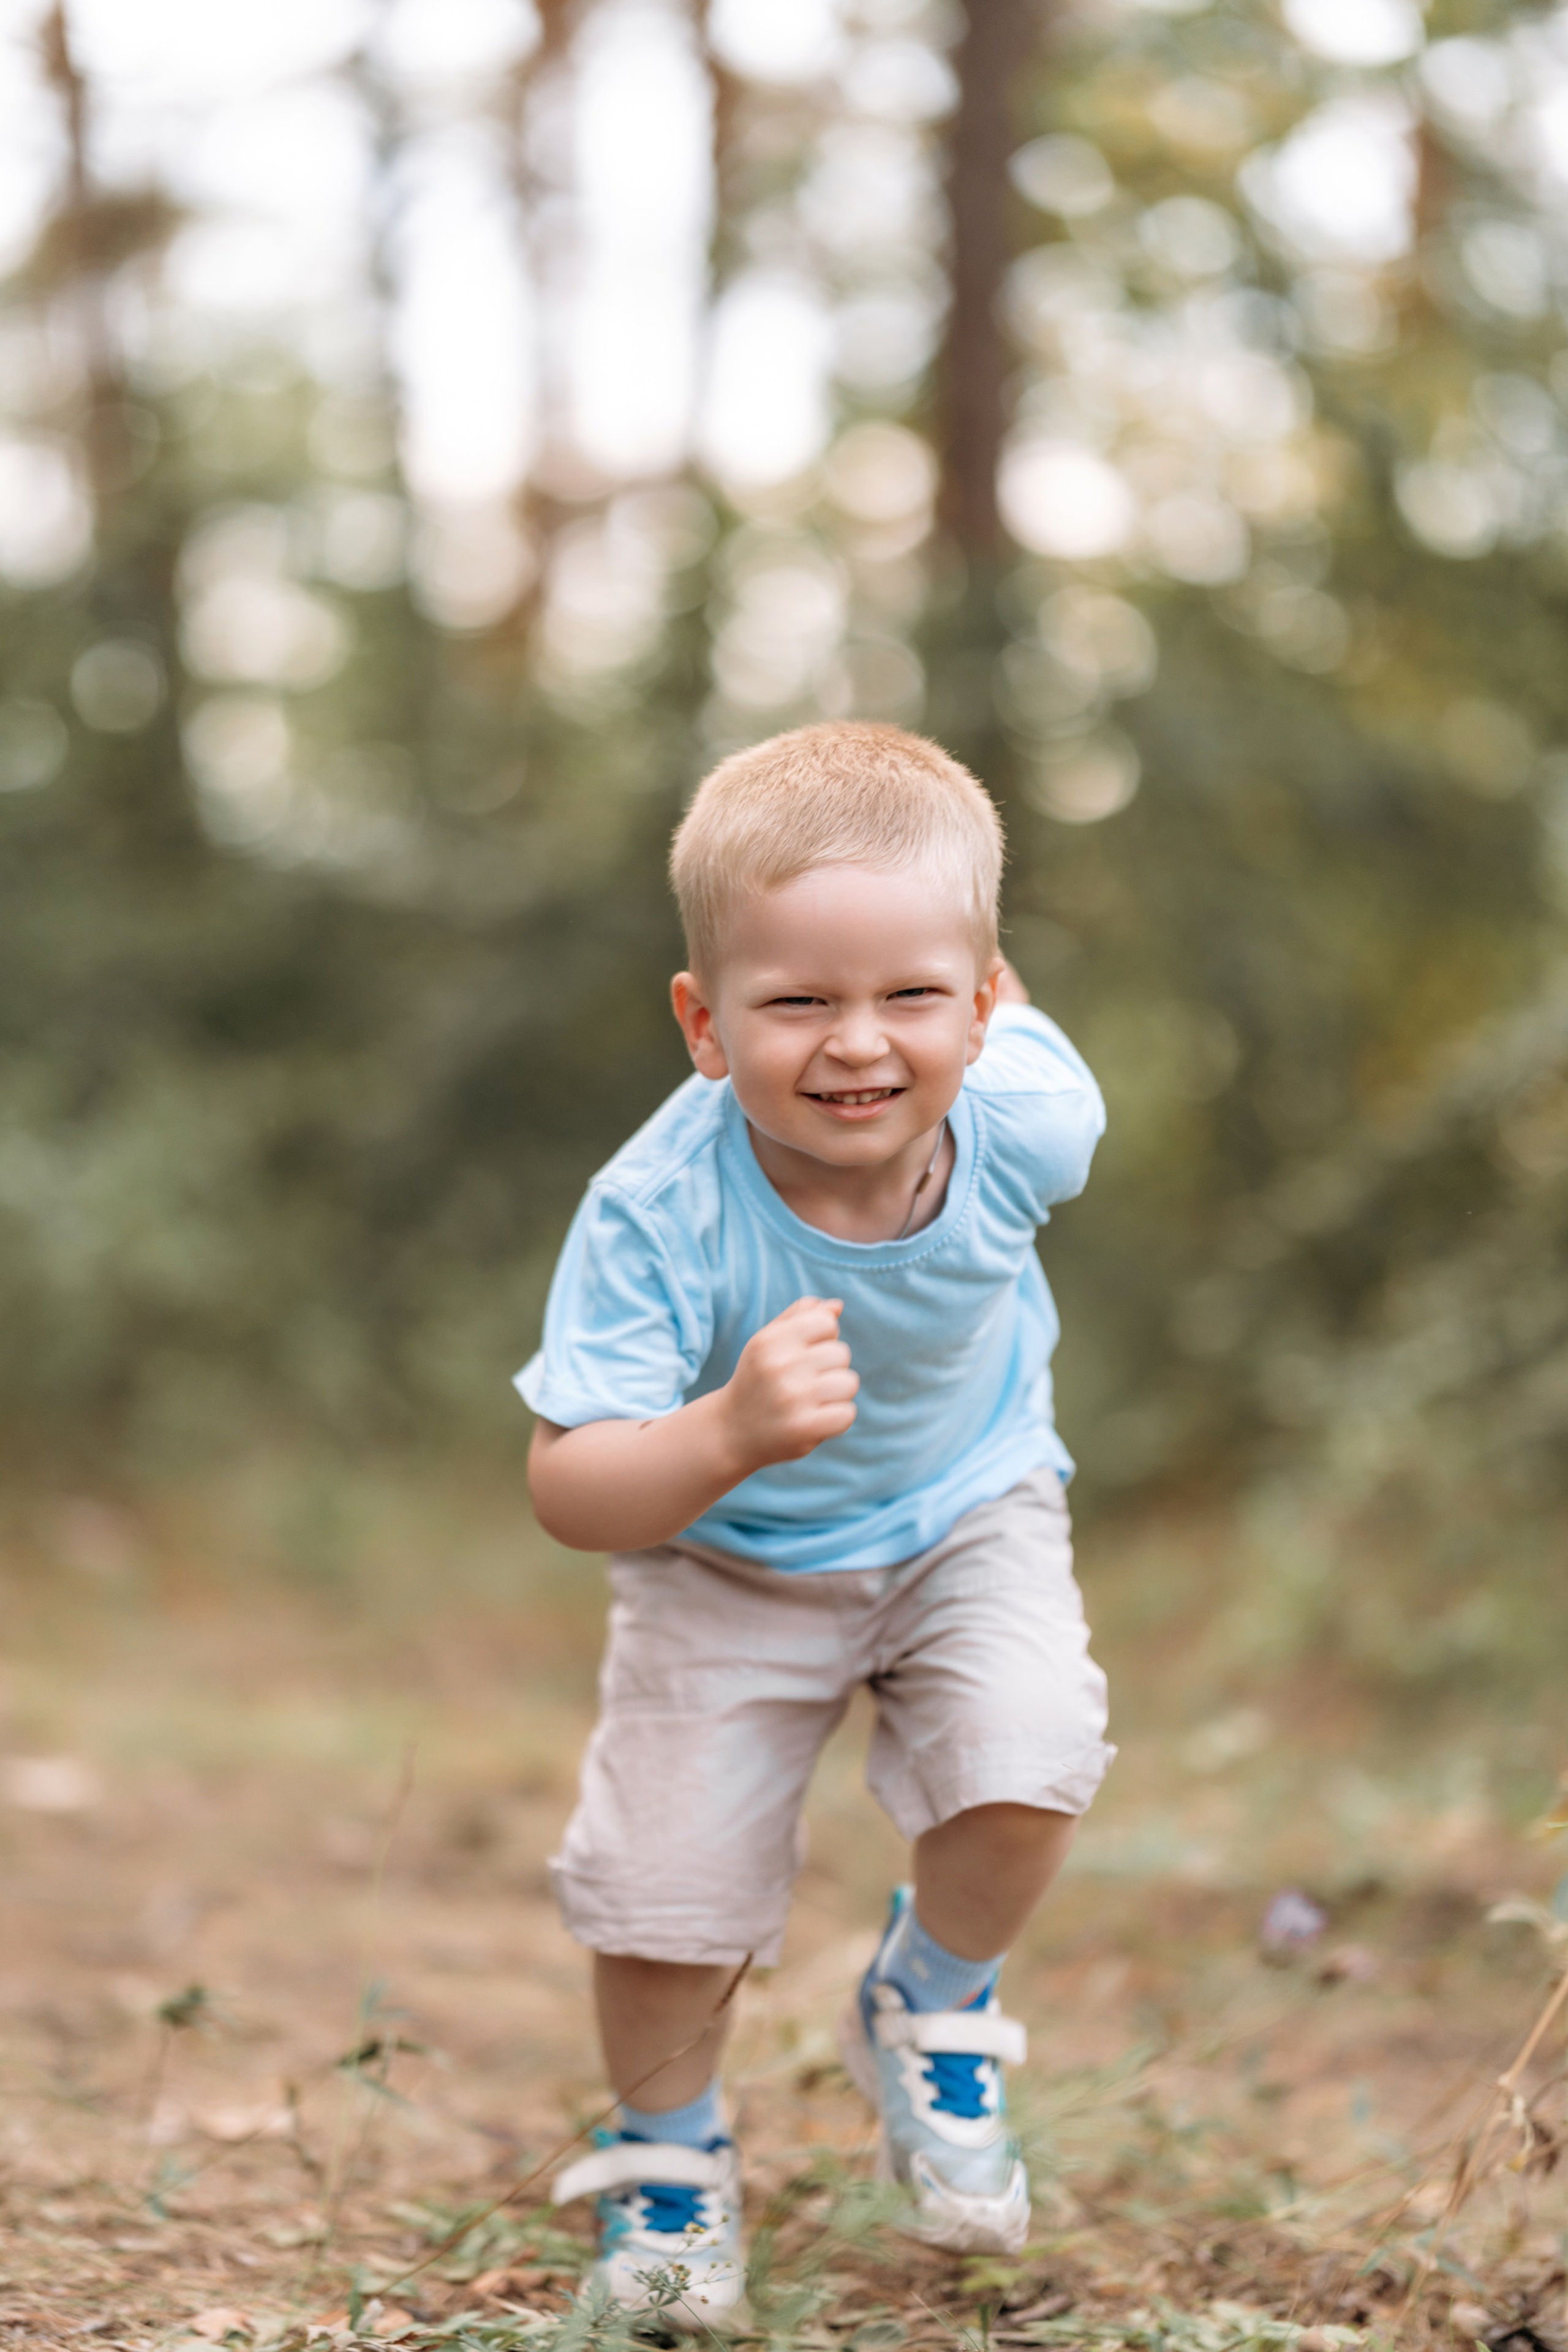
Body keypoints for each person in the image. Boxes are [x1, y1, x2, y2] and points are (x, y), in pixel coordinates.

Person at [519, 722, 1113, 2325]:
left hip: (969, 1509)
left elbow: (1007, 1028)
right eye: (797, 1003)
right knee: (667, 1892)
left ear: (983, 1008)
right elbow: (568, 1480)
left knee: (1032, 1750)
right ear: (705, 1024)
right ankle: (667, 2160)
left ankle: (931, 2000)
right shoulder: (658, 1211)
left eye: (912, 995)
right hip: (725, 1563)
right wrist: (721, 1434)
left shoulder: (1033, 1119)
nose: (860, 1045)